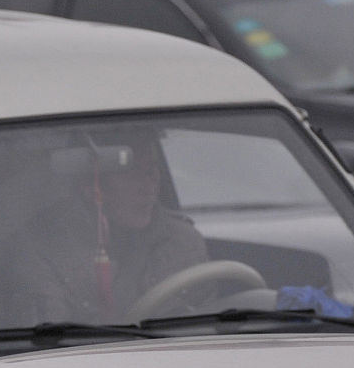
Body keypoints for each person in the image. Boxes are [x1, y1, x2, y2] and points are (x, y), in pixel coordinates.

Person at [12, 130, 209, 323]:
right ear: (89, 185)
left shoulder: (184, 241)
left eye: (151, 170)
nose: (148, 184)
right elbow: (48, 343)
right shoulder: (42, 249)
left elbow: (206, 326)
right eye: (132, 172)